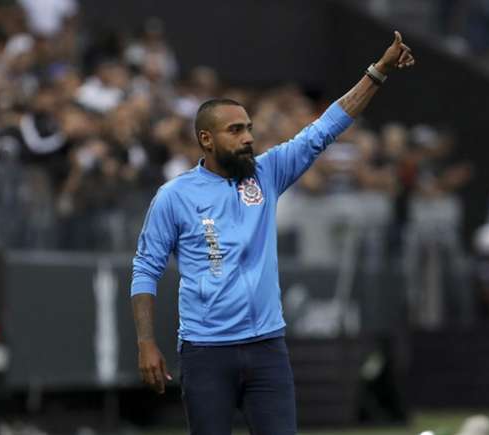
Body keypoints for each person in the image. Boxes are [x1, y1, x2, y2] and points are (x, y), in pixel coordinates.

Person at [130, 31, 416, 435]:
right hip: (206, 353)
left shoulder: (267, 173)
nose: (247, 137)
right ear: (206, 140)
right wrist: (145, 342)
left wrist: (379, 71)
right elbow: (145, 268)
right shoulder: (174, 196)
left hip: (267, 349)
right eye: (234, 130)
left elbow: (325, 129)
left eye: (247, 127)